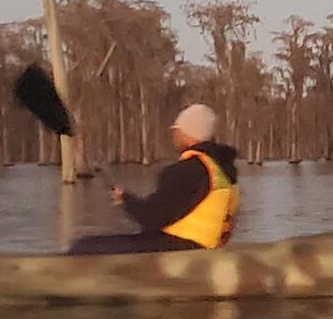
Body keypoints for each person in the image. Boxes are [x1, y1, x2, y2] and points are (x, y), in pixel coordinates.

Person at [69, 103, 240, 255]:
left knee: (83, 247)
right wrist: (127, 199)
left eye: (176, 130)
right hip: (205, 248)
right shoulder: (221, 169)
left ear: (186, 133)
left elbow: (151, 218)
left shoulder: (187, 170)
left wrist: (127, 201)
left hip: (184, 250)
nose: (174, 135)